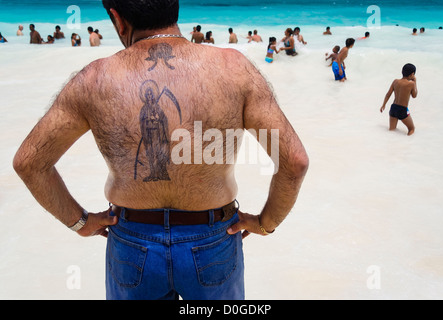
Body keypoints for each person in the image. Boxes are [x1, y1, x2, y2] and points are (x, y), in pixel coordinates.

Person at [13, 0, 309, 301]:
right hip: (213, 239)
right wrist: (265, 223)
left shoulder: (93, 79)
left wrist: (80, 221)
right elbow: (294, 161)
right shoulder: (234, 69)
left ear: (118, 19)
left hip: (131, 241)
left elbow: (29, 163)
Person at [380, 63, 418, 136]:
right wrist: (415, 82)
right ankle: (408, 144)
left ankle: (391, 143)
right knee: (411, 129)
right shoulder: (411, 84)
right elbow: (414, 95)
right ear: (412, 74)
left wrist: (383, 105)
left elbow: (388, 94)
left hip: (393, 108)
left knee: (392, 131)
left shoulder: (395, 81)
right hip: (402, 110)